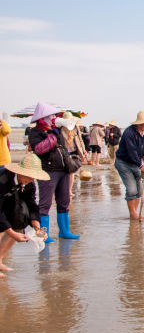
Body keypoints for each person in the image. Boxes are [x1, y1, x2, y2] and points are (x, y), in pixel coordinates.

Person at [28, 102, 79, 241]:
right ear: (42, 118)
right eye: (51, 116)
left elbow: (63, 148)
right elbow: (38, 149)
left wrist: (56, 133)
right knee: (45, 203)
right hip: (47, 171)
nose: (54, 117)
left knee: (64, 201)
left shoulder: (54, 130)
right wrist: (52, 136)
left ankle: (64, 231)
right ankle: (44, 234)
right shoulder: (35, 132)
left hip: (62, 170)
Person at [0, 153, 49, 277]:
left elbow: (32, 204)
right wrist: (11, 233)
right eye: (30, 176)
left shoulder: (29, 184)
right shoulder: (3, 179)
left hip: (7, 202)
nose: (32, 180)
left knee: (20, 223)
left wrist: (37, 227)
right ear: (20, 172)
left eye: (34, 177)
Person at [115, 110, 144, 221]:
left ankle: (135, 212)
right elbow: (131, 151)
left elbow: (143, 147)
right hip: (124, 162)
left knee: (139, 189)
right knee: (131, 189)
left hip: (136, 162)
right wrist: (141, 165)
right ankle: (133, 214)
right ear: (139, 123)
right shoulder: (129, 133)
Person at [56, 113, 87, 198]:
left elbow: (80, 139)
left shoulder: (75, 127)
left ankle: (69, 191)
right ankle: (61, 190)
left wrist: (84, 150)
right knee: (62, 171)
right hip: (63, 151)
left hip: (73, 150)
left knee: (71, 172)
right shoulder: (60, 128)